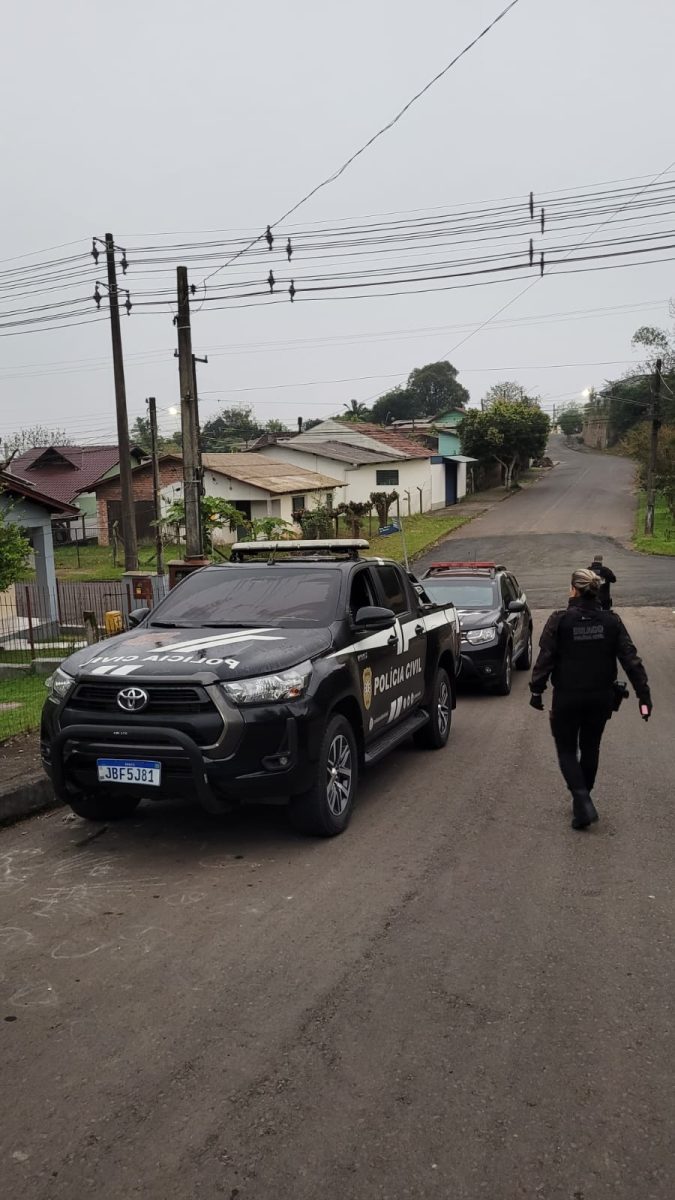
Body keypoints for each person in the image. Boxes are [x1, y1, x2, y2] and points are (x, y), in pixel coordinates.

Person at [529, 568, 652, 830]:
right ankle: (582, 802)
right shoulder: (611, 622)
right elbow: (631, 660)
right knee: (591, 747)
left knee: (566, 750)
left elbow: (545, 658)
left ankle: (582, 801)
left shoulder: (559, 620)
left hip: (567, 698)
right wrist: (644, 695)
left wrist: (536, 690)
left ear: (574, 589)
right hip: (600, 697)